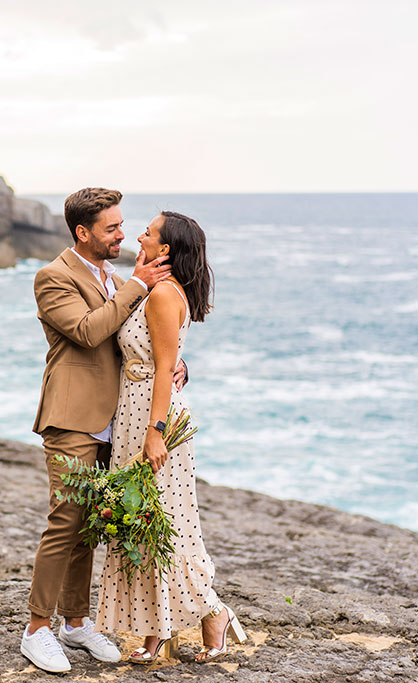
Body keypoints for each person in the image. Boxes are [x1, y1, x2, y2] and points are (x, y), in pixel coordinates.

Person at [22, 187, 184, 673]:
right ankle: (36, 629)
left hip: (116, 420)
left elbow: (133, 340)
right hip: (71, 417)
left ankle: (75, 622)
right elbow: (90, 331)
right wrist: (136, 284)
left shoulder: (111, 276)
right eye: (112, 228)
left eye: (121, 225)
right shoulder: (53, 277)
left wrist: (173, 363)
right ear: (83, 232)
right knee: (65, 520)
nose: (121, 234)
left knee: (90, 526)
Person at [94, 211, 247, 664]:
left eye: (148, 231)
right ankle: (154, 627)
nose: (138, 234)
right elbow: (168, 358)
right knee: (142, 524)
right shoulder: (151, 288)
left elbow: (165, 367)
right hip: (134, 411)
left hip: (151, 417)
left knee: (165, 523)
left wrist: (156, 432)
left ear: (164, 250)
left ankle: (213, 613)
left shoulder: (162, 293)